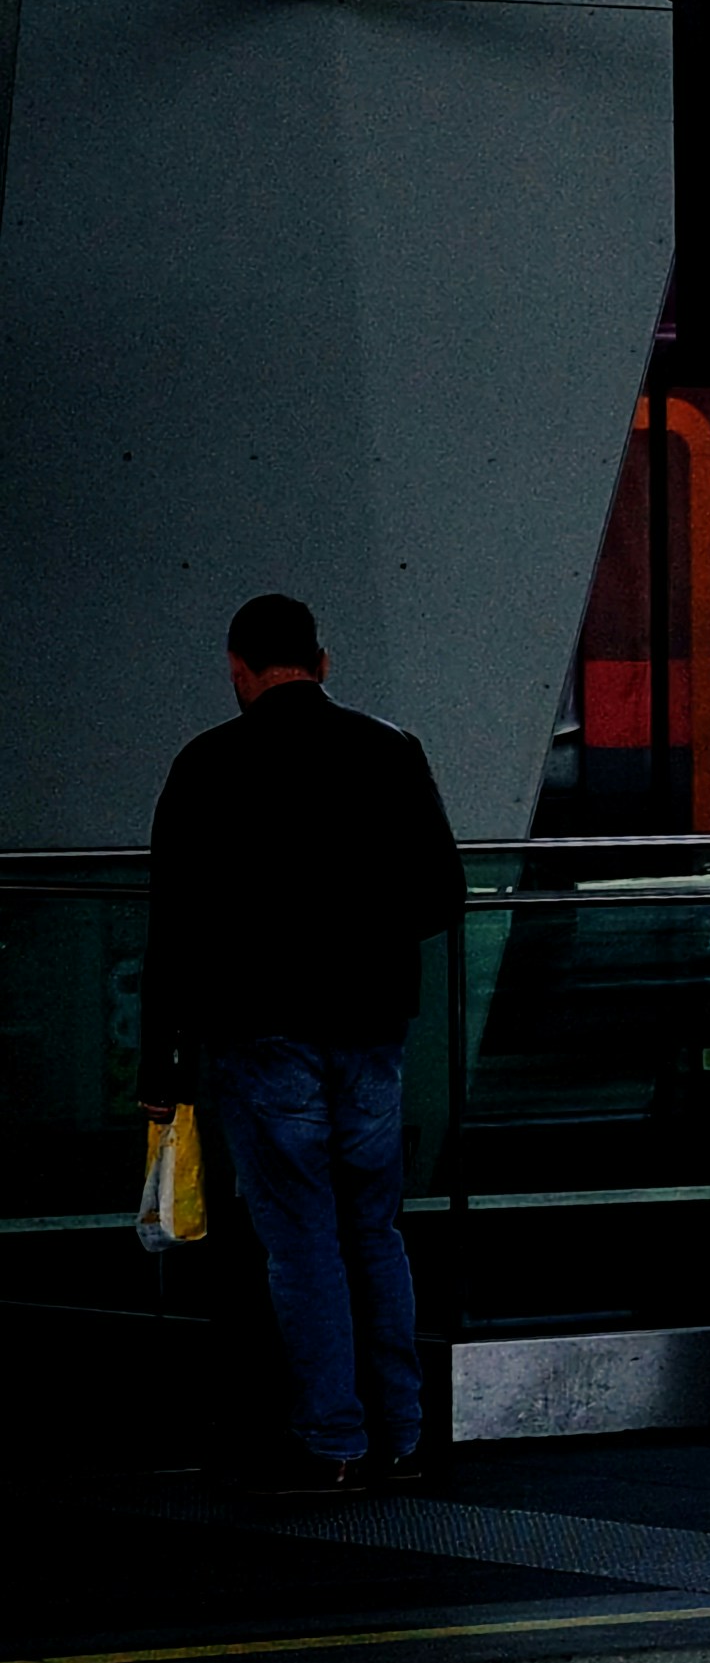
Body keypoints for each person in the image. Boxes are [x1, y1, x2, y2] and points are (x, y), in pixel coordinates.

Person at [145, 592, 467, 1498]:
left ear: (239, 670)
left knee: (299, 1239)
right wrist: (359, 934)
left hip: (260, 1030)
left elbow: (172, 928)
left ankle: (332, 1438)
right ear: (323, 663)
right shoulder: (389, 751)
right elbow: (445, 892)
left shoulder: (207, 764)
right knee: (374, 1228)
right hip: (369, 1027)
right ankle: (403, 1430)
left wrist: (159, 1066)